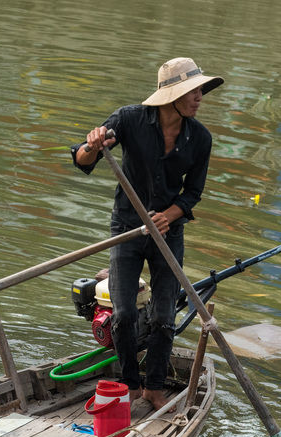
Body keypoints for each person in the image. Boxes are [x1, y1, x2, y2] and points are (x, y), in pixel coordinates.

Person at [71, 57, 223, 411]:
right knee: (123, 314)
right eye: (193, 91)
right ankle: (130, 383)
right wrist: (93, 144)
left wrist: (168, 216)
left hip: (168, 235)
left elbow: (192, 194)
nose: (199, 97)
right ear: (171, 95)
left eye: (200, 90)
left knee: (164, 315)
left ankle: (155, 387)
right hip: (126, 229)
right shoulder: (129, 119)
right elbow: (82, 160)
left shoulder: (200, 138)